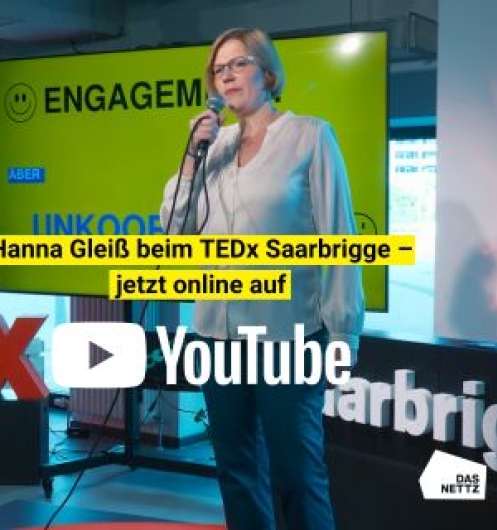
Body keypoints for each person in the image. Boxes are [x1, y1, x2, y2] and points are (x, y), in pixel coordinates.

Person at [159, 28, 365, 530]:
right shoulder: (214, 147)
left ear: (268, 73)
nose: (226, 75)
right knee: (236, 471)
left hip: (287, 339)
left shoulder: (309, 136)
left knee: (297, 474)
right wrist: (190, 157)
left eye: (239, 63)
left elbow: (339, 237)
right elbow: (174, 229)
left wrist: (344, 334)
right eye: (218, 69)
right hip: (216, 338)